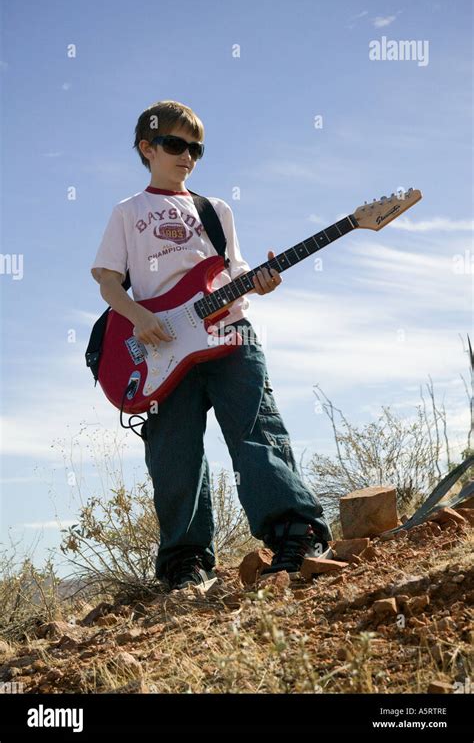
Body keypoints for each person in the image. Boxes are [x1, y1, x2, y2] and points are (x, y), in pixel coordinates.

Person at [90, 99, 332, 593]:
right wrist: (139, 318)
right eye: (176, 145)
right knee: (174, 453)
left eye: (196, 148)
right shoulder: (127, 212)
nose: (188, 157)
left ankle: (294, 535)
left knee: (254, 430)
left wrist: (259, 281)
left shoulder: (214, 209)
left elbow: (233, 272)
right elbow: (109, 283)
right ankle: (186, 561)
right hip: (160, 350)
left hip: (229, 334)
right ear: (147, 147)